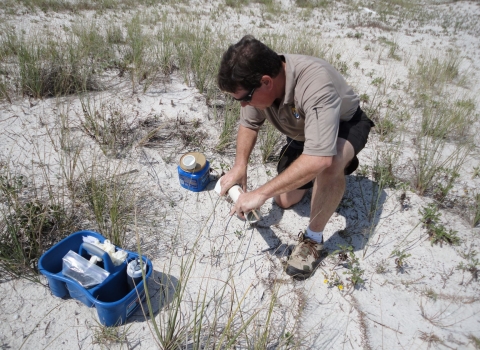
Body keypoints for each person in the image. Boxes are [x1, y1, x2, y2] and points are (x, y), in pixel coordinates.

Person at [217, 35, 374, 280]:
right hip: (305, 134)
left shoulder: (314, 84)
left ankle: (313, 239)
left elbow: (319, 159)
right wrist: (240, 166)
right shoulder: (254, 80)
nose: (242, 104)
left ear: (266, 82)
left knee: (329, 164)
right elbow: (249, 124)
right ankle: (318, 162)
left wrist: (260, 193)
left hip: (345, 124)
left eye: (244, 98)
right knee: (285, 200)